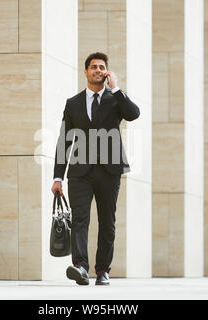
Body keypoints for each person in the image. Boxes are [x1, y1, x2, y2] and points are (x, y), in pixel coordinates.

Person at [51, 52, 140, 285]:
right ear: (86, 72)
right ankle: (80, 267)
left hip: (109, 170)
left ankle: (102, 271)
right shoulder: (73, 103)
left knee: (107, 222)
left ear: (107, 72)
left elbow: (134, 114)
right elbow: (64, 141)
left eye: (102, 67)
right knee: (80, 219)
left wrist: (117, 89)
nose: (98, 70)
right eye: (93, 67)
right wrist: (57, 177)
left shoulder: (115, 99)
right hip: (80, 172)